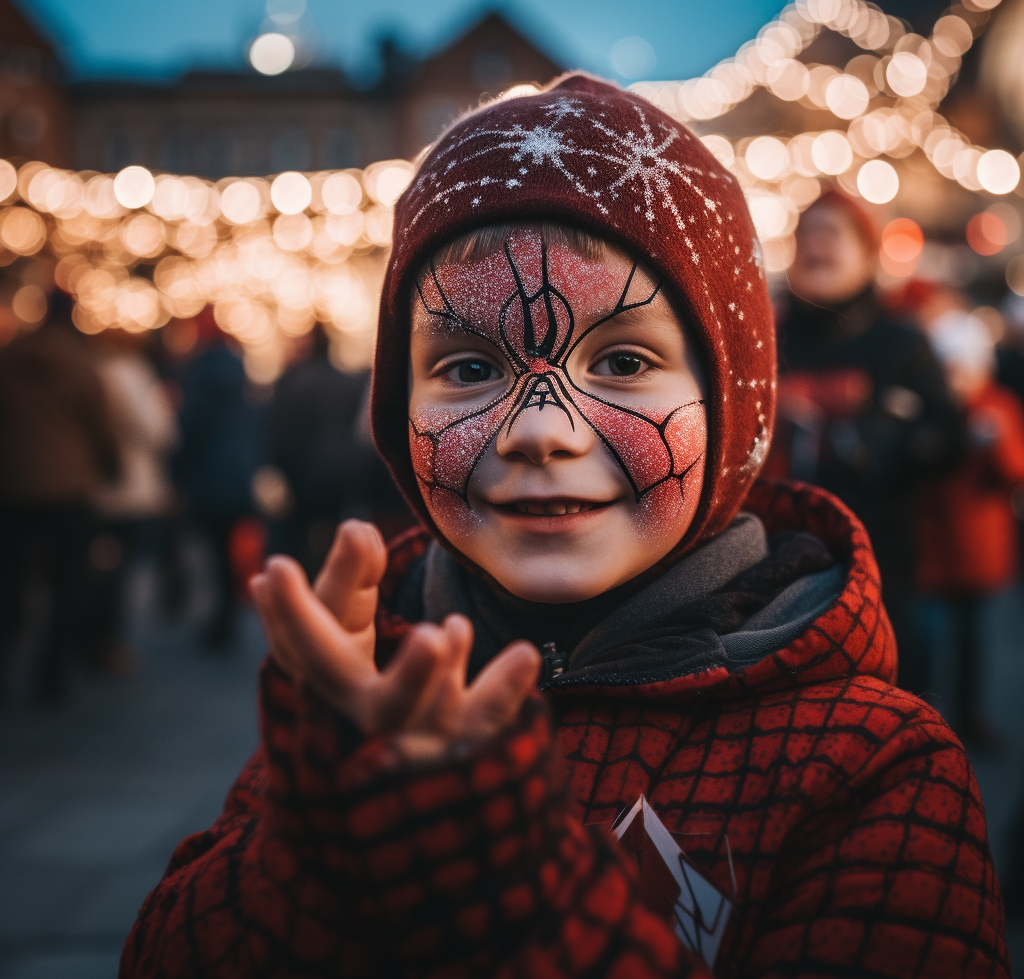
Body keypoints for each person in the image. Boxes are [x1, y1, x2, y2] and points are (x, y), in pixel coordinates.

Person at [121, 76, 1008, 977]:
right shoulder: (364, 695)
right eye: (467, 368)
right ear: (398, 409)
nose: (541, 430)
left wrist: (493, 887)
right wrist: (314, 844)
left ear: (731, 403)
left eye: (623, 361)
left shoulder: (871, 767)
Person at [770, 191, 963, 694]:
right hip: (776, 567)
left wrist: (897, 440)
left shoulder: (902, 343)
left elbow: (951, 439)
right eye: (807, 234)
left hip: (883, 568)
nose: (817, 245)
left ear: (868, 254)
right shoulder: (766, 338)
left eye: (834, 233)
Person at [0, 292, 119, 701]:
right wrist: (109, 469)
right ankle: (51, 675)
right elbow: (102, 429)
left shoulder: (8, 357)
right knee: (67, 583)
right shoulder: (82, 365)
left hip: (13, 488)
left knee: (9, 581)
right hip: (70, 489)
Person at [916, 309, 1024, 747]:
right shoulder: (930, 410)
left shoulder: (999, 406)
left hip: (983, 553)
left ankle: (971, 718)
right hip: (934, 552)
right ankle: (927, 725)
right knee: (931, 648)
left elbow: (1015, 471)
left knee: (977, 648)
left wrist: (995, 441)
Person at [86, 328, 179, 673]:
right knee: (116, 569)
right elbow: (156, 429)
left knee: (99, 564)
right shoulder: (129, 374)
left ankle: (95, 639)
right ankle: (106, 643)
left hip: (96, 484)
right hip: (126, 486)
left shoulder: (92, 369)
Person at [173, 308, 265, 648]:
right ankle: (227, 617)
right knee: (228, 552)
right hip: (237, 475)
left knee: (212, 553)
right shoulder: (239, 371)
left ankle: (218, 622)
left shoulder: (198, 374)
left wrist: (179, 471)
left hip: (208, 477)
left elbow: (190, 429)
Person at [268, 325, 379, 578]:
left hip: (305, 473)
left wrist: (279, 470)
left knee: (302, 538)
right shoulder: (347, 381)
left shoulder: (293, 382)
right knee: (338, 534)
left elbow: (281, 436)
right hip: (346, 469)